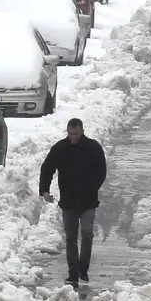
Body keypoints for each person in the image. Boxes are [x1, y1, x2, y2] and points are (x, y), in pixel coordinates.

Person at [39, 118, 107, 288]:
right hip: (68, 201)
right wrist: (44, 190)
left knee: (87, 233)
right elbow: (47, 168)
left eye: (76, 134)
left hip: (88, 201)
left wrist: (93, 187)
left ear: (82, 131)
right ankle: (73, 273)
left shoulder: (93, 147)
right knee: (71, 237)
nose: (73, 137)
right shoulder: (60, 148)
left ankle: (84, 268)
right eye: (70, 134)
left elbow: (101, 171)